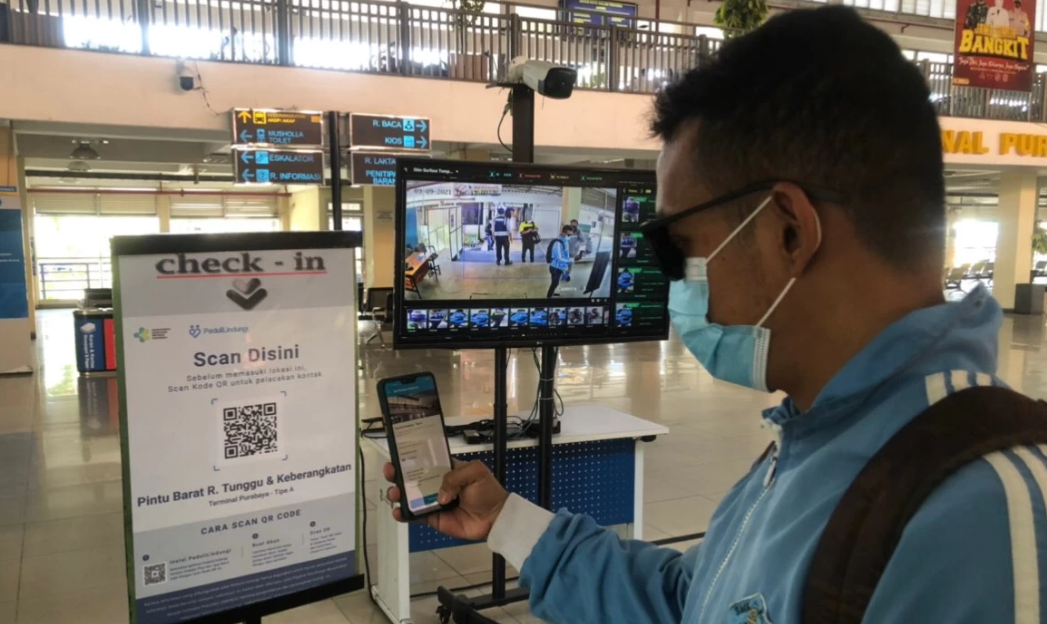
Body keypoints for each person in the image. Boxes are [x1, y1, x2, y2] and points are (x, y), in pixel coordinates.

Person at [384, 7, 1047, 623]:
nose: (678, 288)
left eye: (679, 246)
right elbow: (692, 602)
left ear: (787, 230)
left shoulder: (986, 512)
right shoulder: (814, 448)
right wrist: (503, 520)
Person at [545, 225, 573, 298]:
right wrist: (569, 261)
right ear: (566, 232)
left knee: (556, 283)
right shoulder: (558, 243)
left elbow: (566, 253)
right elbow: (559, 258)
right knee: (554, 283)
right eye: (570, 233)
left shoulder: (565, 240)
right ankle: (548, 297)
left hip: (560, 266)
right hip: (555, 267)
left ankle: (552, 293)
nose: (571, 235)